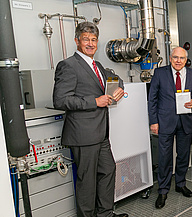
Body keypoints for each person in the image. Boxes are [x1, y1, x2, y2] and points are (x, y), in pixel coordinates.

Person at [53, 22, 127, 217]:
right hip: (83, 135)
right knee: (87, 182)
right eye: (86, 39)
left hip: (101, 134)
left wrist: (120, 88)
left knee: (108, 171)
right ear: (77, 41)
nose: (90, 43)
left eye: (94, 40)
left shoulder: (98, 65)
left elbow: (115, 79)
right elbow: (60, 100)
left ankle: (105, 214)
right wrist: (95, 101)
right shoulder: (68, 65)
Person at [148, 47, 192, 209]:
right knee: (164, 157)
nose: (178, 61)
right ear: (170, 58)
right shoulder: (160, 73)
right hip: (165, 121)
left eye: (182, 58)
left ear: (186, 60)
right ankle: (163, 190)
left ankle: (180, 183)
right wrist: (153, 121)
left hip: (185, 121)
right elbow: (152, 99)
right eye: (175, 57)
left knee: (184, 155)